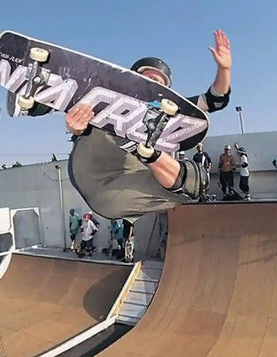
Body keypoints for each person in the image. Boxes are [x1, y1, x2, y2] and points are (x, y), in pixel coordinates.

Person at [66, 30, 231, 222]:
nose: (154, 84)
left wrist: (224, 69)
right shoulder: (104, 98)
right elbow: (67, 105)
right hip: (90, 172)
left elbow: (215, 100)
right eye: (149, 79)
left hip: (120, 193)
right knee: (106, 113)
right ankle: (140, 147)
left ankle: (147, 153)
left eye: (160, 84)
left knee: (196, 183)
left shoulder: (170, 112)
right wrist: (76, 127)